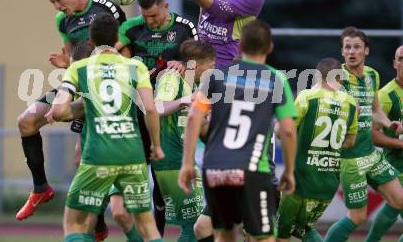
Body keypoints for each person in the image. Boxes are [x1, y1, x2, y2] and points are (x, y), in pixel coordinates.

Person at [16, 0, 126, 222]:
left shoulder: (106, 9)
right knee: (26, 122)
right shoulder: (62, 20)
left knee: (80, 158)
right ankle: (41, 189)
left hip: (104, 88)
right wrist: (66, 63)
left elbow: (124, 50)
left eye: (58, 0)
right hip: (76, 84)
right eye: (52, 3)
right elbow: (72, 61)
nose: (57, 7)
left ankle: (97, 223)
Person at [179, 20, 297, 242]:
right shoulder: (276, 79)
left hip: (216, 169)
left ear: (240, 47)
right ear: (269, 47)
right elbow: (288, 131)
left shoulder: (215, 77)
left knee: (224, 234)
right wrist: (289, 171)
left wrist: (187, 164)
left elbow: (194, 117)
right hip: (252, 169)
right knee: (263, 238)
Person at [50, 13, 164, 242]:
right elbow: (150, 109)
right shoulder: (136, 66)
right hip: (133, 154)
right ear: (116, 39)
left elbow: (59, 111)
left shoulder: (79, 67)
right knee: (148, 228)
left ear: (91, 40)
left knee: (75, 225)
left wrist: (84, 105)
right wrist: (156, 146)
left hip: (98, 156)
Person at [114, 0, 198, 236]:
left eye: (154, 15)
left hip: (168, 112)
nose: (149, 21)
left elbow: (197, 64)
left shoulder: (185, 28)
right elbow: (111, 53)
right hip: (137, 107)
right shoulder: (131, 28)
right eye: (145, 16)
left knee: (160, 175)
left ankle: (159, 233)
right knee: (134, 168)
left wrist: (183, 64)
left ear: (166, 7)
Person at [323, 27, 403, 242]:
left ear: (366, 51)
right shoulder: (335, 78)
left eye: (357, 47)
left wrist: (390, 123)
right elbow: (323, 113)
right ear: (342, 52)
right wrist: (344, 112)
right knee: (357, 217)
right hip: (350, 159)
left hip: (371, 154)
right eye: (347, 47)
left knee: (399, 199)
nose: (352, 51)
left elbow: (376, 110)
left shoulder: (372, 75)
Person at [277, 58, 358, 242]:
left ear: (316, 76)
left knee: (281, 233)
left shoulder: (307, 96)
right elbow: (351, 141)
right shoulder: (352, 103)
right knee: (302, 229)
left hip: (301, 178)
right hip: (328, 182)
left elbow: (284, 132)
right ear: (340, 78)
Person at [153, 40, 216, 241]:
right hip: (171, 160)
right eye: (211, 67)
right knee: (193, 225)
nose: (212, 72)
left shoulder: (195, 84)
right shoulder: (172, 78)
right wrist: (186, 100)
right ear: (196, 65)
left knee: (196, 224)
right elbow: (156, 109)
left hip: (182, 160)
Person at [365, 46, 403, 242]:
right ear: (395, 64)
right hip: (397, 168)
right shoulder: (386, 95)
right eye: (402, 59)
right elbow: (371, 135)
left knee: (393, 205)